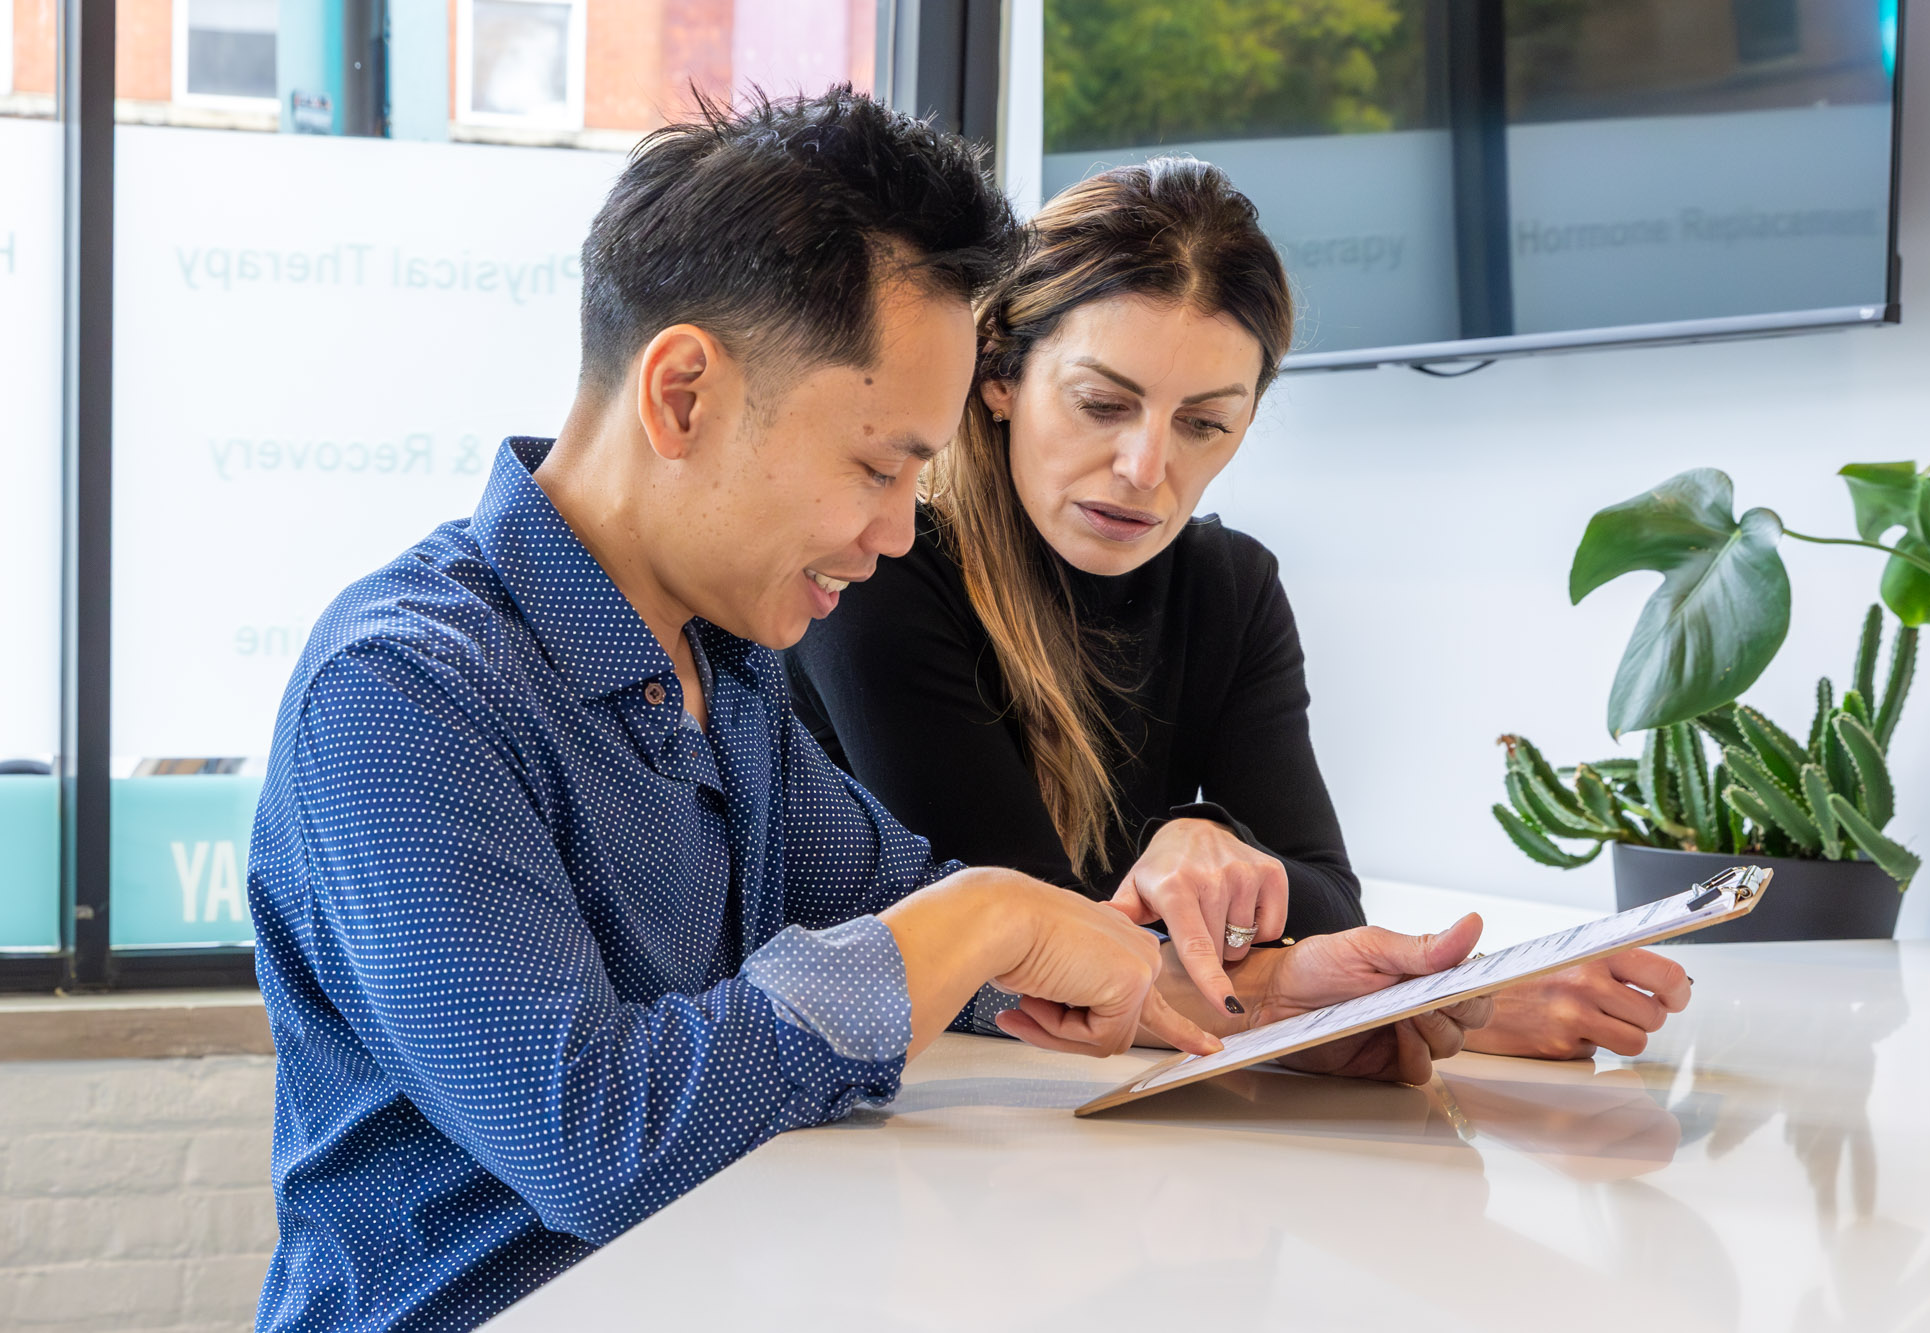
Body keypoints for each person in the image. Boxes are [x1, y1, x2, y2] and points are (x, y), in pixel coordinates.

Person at [247, 93, 1491, 1333]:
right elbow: (594, 1138)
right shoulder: (407, 694)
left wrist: (1271, 1004)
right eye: (877, 464)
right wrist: (986, 916)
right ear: (681, 394)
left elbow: (945, 930)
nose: (899, 529)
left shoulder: (720, 666)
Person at [787, 156, 1692, 1058]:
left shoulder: (1232, 586)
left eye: (1203, 423)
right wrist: (1435, 998)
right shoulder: (880, 572)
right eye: (1103, 403)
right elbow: (1039, 943)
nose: (1146, 468)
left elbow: (1332, 894)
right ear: (999, 376)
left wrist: (1208, 840)